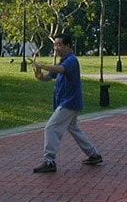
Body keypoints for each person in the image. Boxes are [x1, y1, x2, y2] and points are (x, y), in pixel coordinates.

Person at [30, 33, 103, 173]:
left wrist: (43, 65)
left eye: (59, 45)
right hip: (66, 102)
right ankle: (93, 155)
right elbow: (48, 77)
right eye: (55, 45)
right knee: (74, 129)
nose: (56, 48)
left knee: (50, 127)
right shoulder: (63, 61)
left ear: (68, 46)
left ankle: (49, 161)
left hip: (69, 102)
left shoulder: (71, 60)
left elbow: (61, 70)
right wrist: (39, 75)